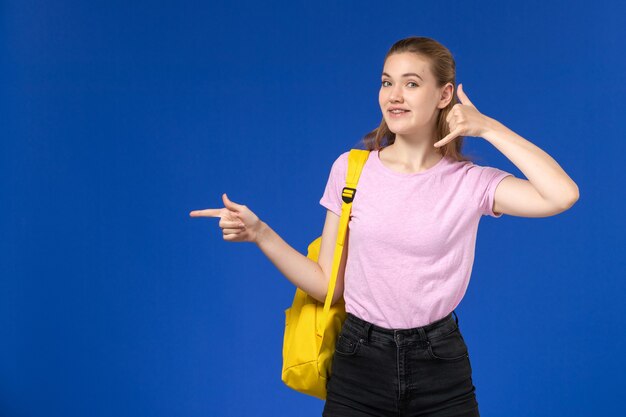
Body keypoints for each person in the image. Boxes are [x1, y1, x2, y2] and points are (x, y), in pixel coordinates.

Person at [189, 36, 579, 416]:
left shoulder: (470, 182)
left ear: (444, 96)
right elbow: (327, 284)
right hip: (358, 359)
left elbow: (561, 195)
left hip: (440, 363)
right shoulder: (351, 170)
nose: (394, 95)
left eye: (411, 84)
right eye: (387, 82)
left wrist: (490, 128)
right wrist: (260, 233)